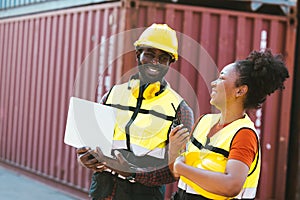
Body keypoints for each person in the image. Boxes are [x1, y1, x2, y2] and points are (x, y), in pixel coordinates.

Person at [76, 23, 194, 200]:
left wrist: (131, 172)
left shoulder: (180, 110)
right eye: (150, 54)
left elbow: (175, 170)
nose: (155, 62)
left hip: (145, 195)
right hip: (105, 191)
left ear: (171, 63)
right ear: (138, 55)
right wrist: (85, 158)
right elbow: (93, 144)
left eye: (163, 58)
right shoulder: (112, 95)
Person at [170, 49, 289, 200]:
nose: (214, 83)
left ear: (240, 91)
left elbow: (232, 185)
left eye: (221, 78)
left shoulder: (244, 134)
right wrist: (173, 152)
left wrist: (182, 168)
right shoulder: (203, 121)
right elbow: (177, 173)